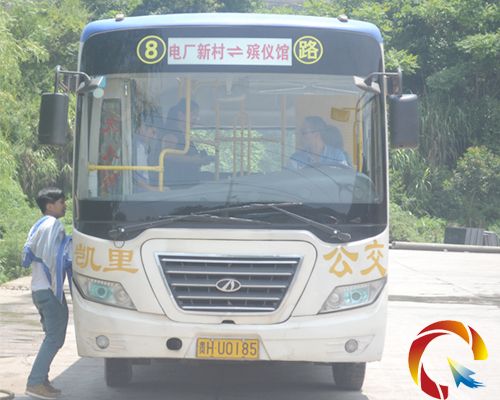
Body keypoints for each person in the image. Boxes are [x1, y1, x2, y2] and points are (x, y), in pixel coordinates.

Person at [22, 187, 72, 400]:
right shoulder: (52, 225)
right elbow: (55, 257)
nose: (65, 205)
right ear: (50, 205)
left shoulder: (39, 225)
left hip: (39, 290)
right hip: (49, 291)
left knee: (52, 336)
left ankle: (42, 380)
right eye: (61, 202)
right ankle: (35, 382)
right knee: (54, 338)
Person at [161, 98, 214, 185]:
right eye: (193, 115)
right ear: (181, 115)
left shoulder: (185, 136)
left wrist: (200, 160)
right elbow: (167, 156)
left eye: (197, 116)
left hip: (188, 183)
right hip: (177, 186)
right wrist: (194, 159)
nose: (196, 119)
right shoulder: (172, 135)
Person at [133, 114, 163, 192]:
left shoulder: (144, 147)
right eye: (153, 132)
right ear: (142, 128)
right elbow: (135, 177)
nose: (154, 137)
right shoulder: (136, 148)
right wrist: (153, 189)